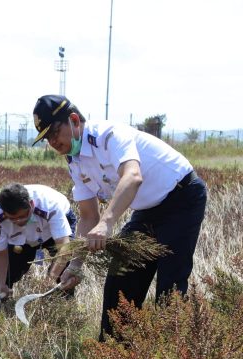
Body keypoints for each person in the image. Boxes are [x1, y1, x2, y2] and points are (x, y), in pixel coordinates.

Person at [31, 95, 207, 340]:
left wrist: (107, 223)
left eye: (54, 132)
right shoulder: (75, 162)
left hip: (181, 198)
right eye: (46, 138)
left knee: (171, 287)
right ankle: (113, 355)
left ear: (73, 120)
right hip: (147, 210)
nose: (52, 142)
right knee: (120, 280)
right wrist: (75, 265)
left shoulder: (108, 135)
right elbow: (88, 216)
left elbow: (132, 176)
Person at [0, 183, 77, 307]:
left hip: (51, 229)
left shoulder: (50, 206)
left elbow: (64, 249)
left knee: (64, 268)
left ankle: (62, 306)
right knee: (6, 271)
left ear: (31, 205)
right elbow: (0, 254)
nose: (19, 221)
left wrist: (51, 278)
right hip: (21, 238)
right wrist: (1, 284)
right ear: (5, 213)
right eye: (13, 218)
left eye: (23, 216)